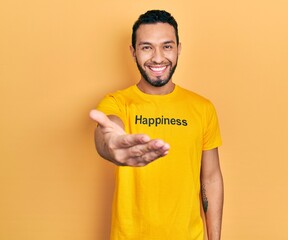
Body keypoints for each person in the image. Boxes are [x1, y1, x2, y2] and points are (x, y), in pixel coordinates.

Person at [89, 10, 224, 240]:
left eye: (167, 46)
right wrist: (112, 144)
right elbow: (106, 133)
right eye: (146, 47)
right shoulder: (117, 102)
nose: (158, 57)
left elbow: (210, 177)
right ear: (133, 52)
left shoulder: (202, 108)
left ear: (179, 49)